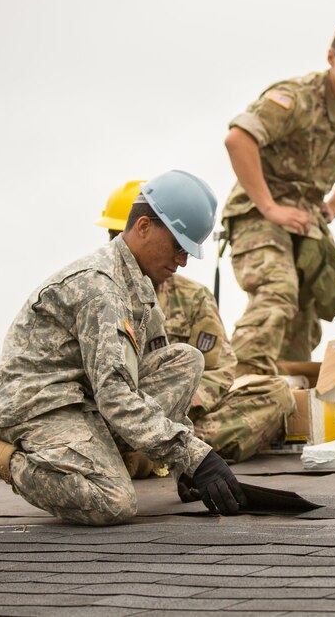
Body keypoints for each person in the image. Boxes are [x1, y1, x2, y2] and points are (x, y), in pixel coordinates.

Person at [0, 171, 247, 527]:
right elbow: (115, 395)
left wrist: (184, 466)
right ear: (144, 227)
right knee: (112, 500)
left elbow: (145, 383)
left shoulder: (142, 288)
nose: (182, 261)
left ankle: (101, 456)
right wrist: (196, 456)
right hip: (39, 405)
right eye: (179, 246)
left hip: (83, 401)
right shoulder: (101, 287)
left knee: (186, 360)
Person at [223, 19, 335, 376]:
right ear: (331, 57)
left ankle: (277, 408)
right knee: (277, 292)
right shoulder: (296, 98)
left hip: (306, 222)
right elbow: (238, 140)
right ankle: (232, 386)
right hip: (258, 212)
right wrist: (269, 207)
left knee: (301, 318)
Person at [96, 180, 293, 464]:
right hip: (113, 419)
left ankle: (157, 455)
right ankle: (157, 453)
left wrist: (185, 401)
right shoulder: (96, 289)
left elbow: (220, 369)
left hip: (180, 415)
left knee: (275, 393)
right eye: (116, 235)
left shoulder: (192, 298)